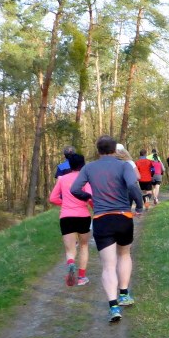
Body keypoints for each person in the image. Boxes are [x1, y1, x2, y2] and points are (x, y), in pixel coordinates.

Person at [71, 135, 144, 322]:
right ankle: (124, 294)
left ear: (98, 150)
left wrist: (89, 197)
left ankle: (113, 307)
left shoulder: (89, 168)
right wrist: (139, 206)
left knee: (108, 265)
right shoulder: (124, 165)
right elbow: (132, 185)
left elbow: (74, 189)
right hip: (123, 217)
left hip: (101, 219)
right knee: (124, 255)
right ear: (115, 150)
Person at [50, 153, 93, 287]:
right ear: (83, 165)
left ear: (69, 165)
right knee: (83, 246)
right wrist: (95, 209)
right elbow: (90, 197)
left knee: (70, 249)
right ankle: (81, 277)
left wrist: (64, 204)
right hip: (83, 216)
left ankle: (71, 263)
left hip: (66, 216)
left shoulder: (62, 179)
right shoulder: (85, 179)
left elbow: (53, 198)